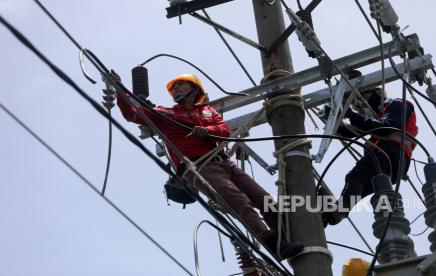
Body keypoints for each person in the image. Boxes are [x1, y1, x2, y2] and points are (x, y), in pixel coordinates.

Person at [112, 72, 303, 259]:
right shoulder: (166, 113)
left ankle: (287, 239)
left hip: (225, 164)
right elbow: (133, 114)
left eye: (180, 85)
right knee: (237, 200)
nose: (176, 89)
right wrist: (119, 89)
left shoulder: (207, 111)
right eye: (174, 88)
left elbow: (224, 130)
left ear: (194, 88)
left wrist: (207, 130)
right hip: (198, 167)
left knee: (264, 199)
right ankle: (270, 242)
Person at [322, 75, 418, 226]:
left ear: (377, 93)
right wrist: (333, 123)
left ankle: (339, 211)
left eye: (363, 99)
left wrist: (352, 115)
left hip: (389, 153)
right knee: (359, 188)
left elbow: (387, 128)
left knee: (356, 176)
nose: (360, 107)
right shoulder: (377, 119)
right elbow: (354, 132)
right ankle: (332, 215)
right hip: (392, 163)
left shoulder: (397, 104)